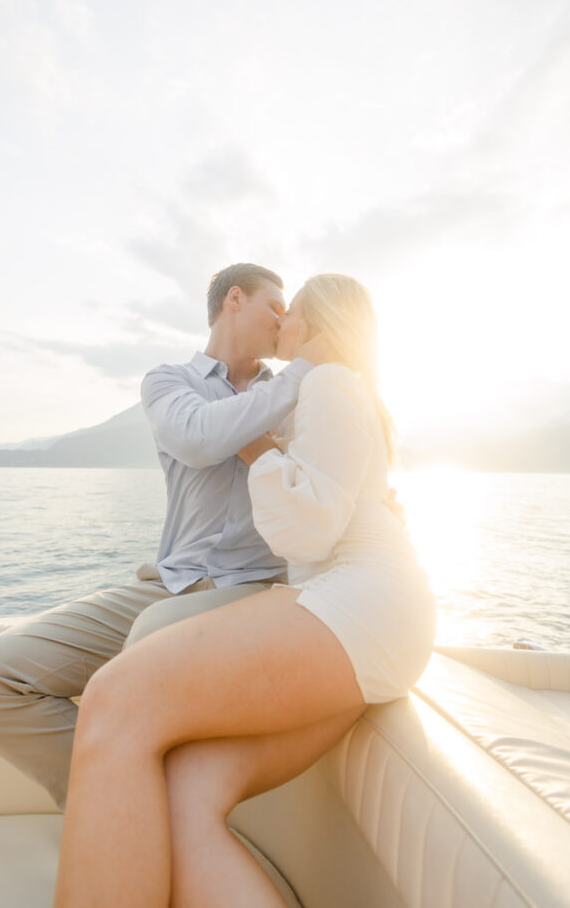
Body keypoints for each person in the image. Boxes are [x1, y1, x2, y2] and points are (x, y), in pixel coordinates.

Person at [53, 274, 436, 908]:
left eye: (290, 312)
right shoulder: (333, 389)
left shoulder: (328, 382)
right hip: (367, 614)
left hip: (359, 606)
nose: (280, 323)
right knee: (188, 792)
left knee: (113, 699)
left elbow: (309, 531)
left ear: (313, 326)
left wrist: (256, 448)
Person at [0, 263, 324, 810]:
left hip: (256, 589)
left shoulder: (305, 396)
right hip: (171, 582)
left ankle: (129, 818)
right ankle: (125, 808)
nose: (285, 319)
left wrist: (306, 377)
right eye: (276, 305)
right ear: (235, 300)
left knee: (148, 640)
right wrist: (304, 370)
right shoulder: (169, 382)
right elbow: (199, 439)